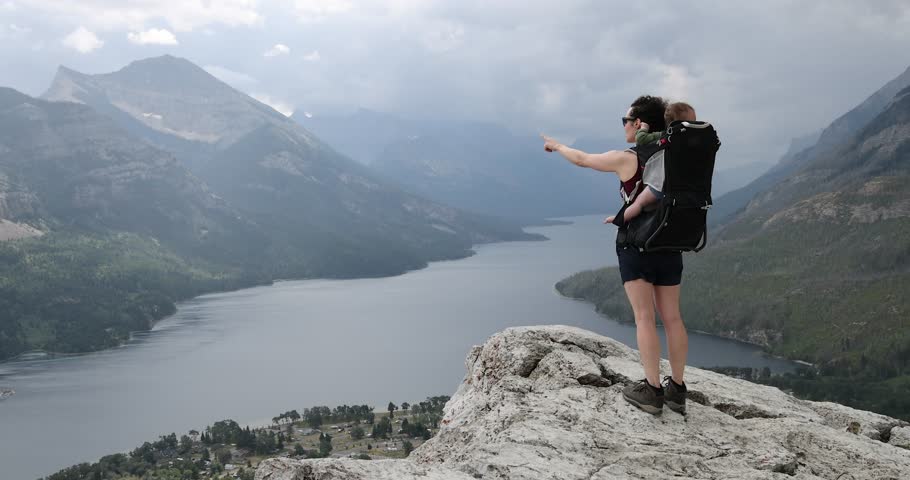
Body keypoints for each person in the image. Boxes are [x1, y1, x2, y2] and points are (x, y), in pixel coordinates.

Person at [541, 95, 689, 415]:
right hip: (671, 242)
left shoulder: (627, 158)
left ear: (639, 124)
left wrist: (557, 146)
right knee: (673, 317)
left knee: (644, 317)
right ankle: (677, 389)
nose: (623, 126)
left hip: (636, 245)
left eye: (625, 121)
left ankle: (652, 391)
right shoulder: (676, 155)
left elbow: (581, 159)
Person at [606, 102, 698, 225]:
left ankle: (619, 219)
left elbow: (642, 139)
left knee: (639, 203)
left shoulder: (666, 135)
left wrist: (643, 128)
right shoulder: (695, 140)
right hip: (684, 186)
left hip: (661, 183)